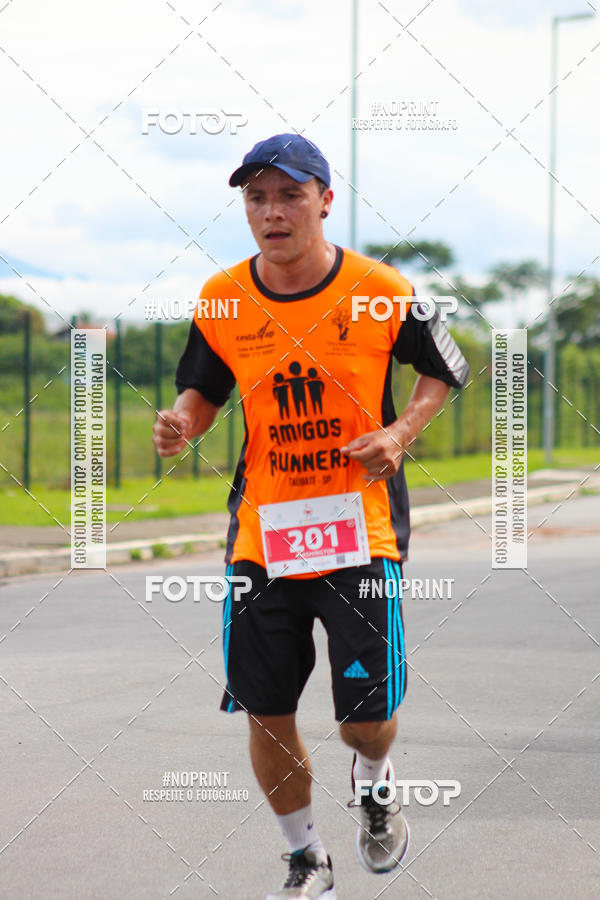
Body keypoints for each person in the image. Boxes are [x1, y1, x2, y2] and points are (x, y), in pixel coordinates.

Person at [152, 133, 469, 899]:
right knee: (265, 707)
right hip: (264, 532)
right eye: (256, 198)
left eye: (289, 194)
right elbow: (203, 392)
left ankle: (375, 781)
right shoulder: (223, 297)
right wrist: (181, 424)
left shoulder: (379, 287)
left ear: (324, 199)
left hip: (362, 531)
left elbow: (445, 368)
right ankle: (306, 859)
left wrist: (398, 434)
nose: (272, 212)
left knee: (364, 719)